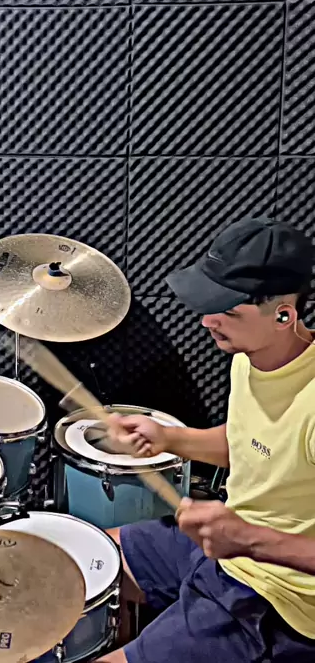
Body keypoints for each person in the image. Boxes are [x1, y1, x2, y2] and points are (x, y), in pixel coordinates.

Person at [101, 216, 315, 663]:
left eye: (228, 312)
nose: (206, 321)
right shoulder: (250, 356)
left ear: (284, 315)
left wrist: (249, 539)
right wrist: (169, 438)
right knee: (85, 557)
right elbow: (252, 446)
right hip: (228, 547)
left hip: (278, 601)